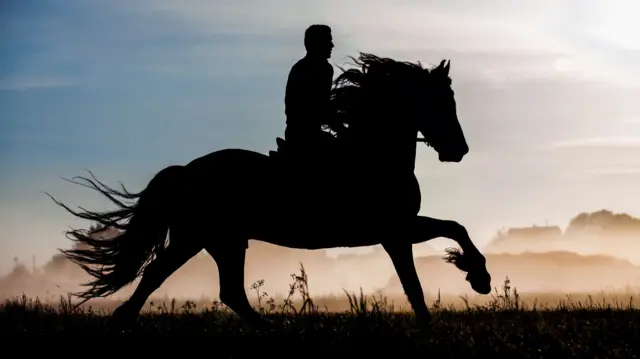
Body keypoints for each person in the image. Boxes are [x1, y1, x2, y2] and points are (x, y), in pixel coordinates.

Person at [283, 24, 340, 159]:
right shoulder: (312, 70)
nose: (332, 46)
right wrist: (340, 128)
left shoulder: (320, 68)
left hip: (306, 133)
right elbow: (320, 106)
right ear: (317, 44)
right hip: (303, 136)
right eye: (328, 41)